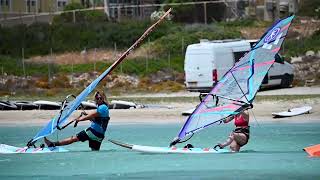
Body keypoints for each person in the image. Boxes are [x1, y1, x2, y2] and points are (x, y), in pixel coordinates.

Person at [44, 91, 110, 151]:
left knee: (73, 138)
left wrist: (80, 119)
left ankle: (52, 144)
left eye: (100, 98)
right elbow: (97, 120)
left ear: (103, 98)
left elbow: (91, 116)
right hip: (99, 135)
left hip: (92, 132)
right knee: (94, 152)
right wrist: (86, 115)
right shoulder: (104, 107)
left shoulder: (102, 107)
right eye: (97, 98)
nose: (99, 100)